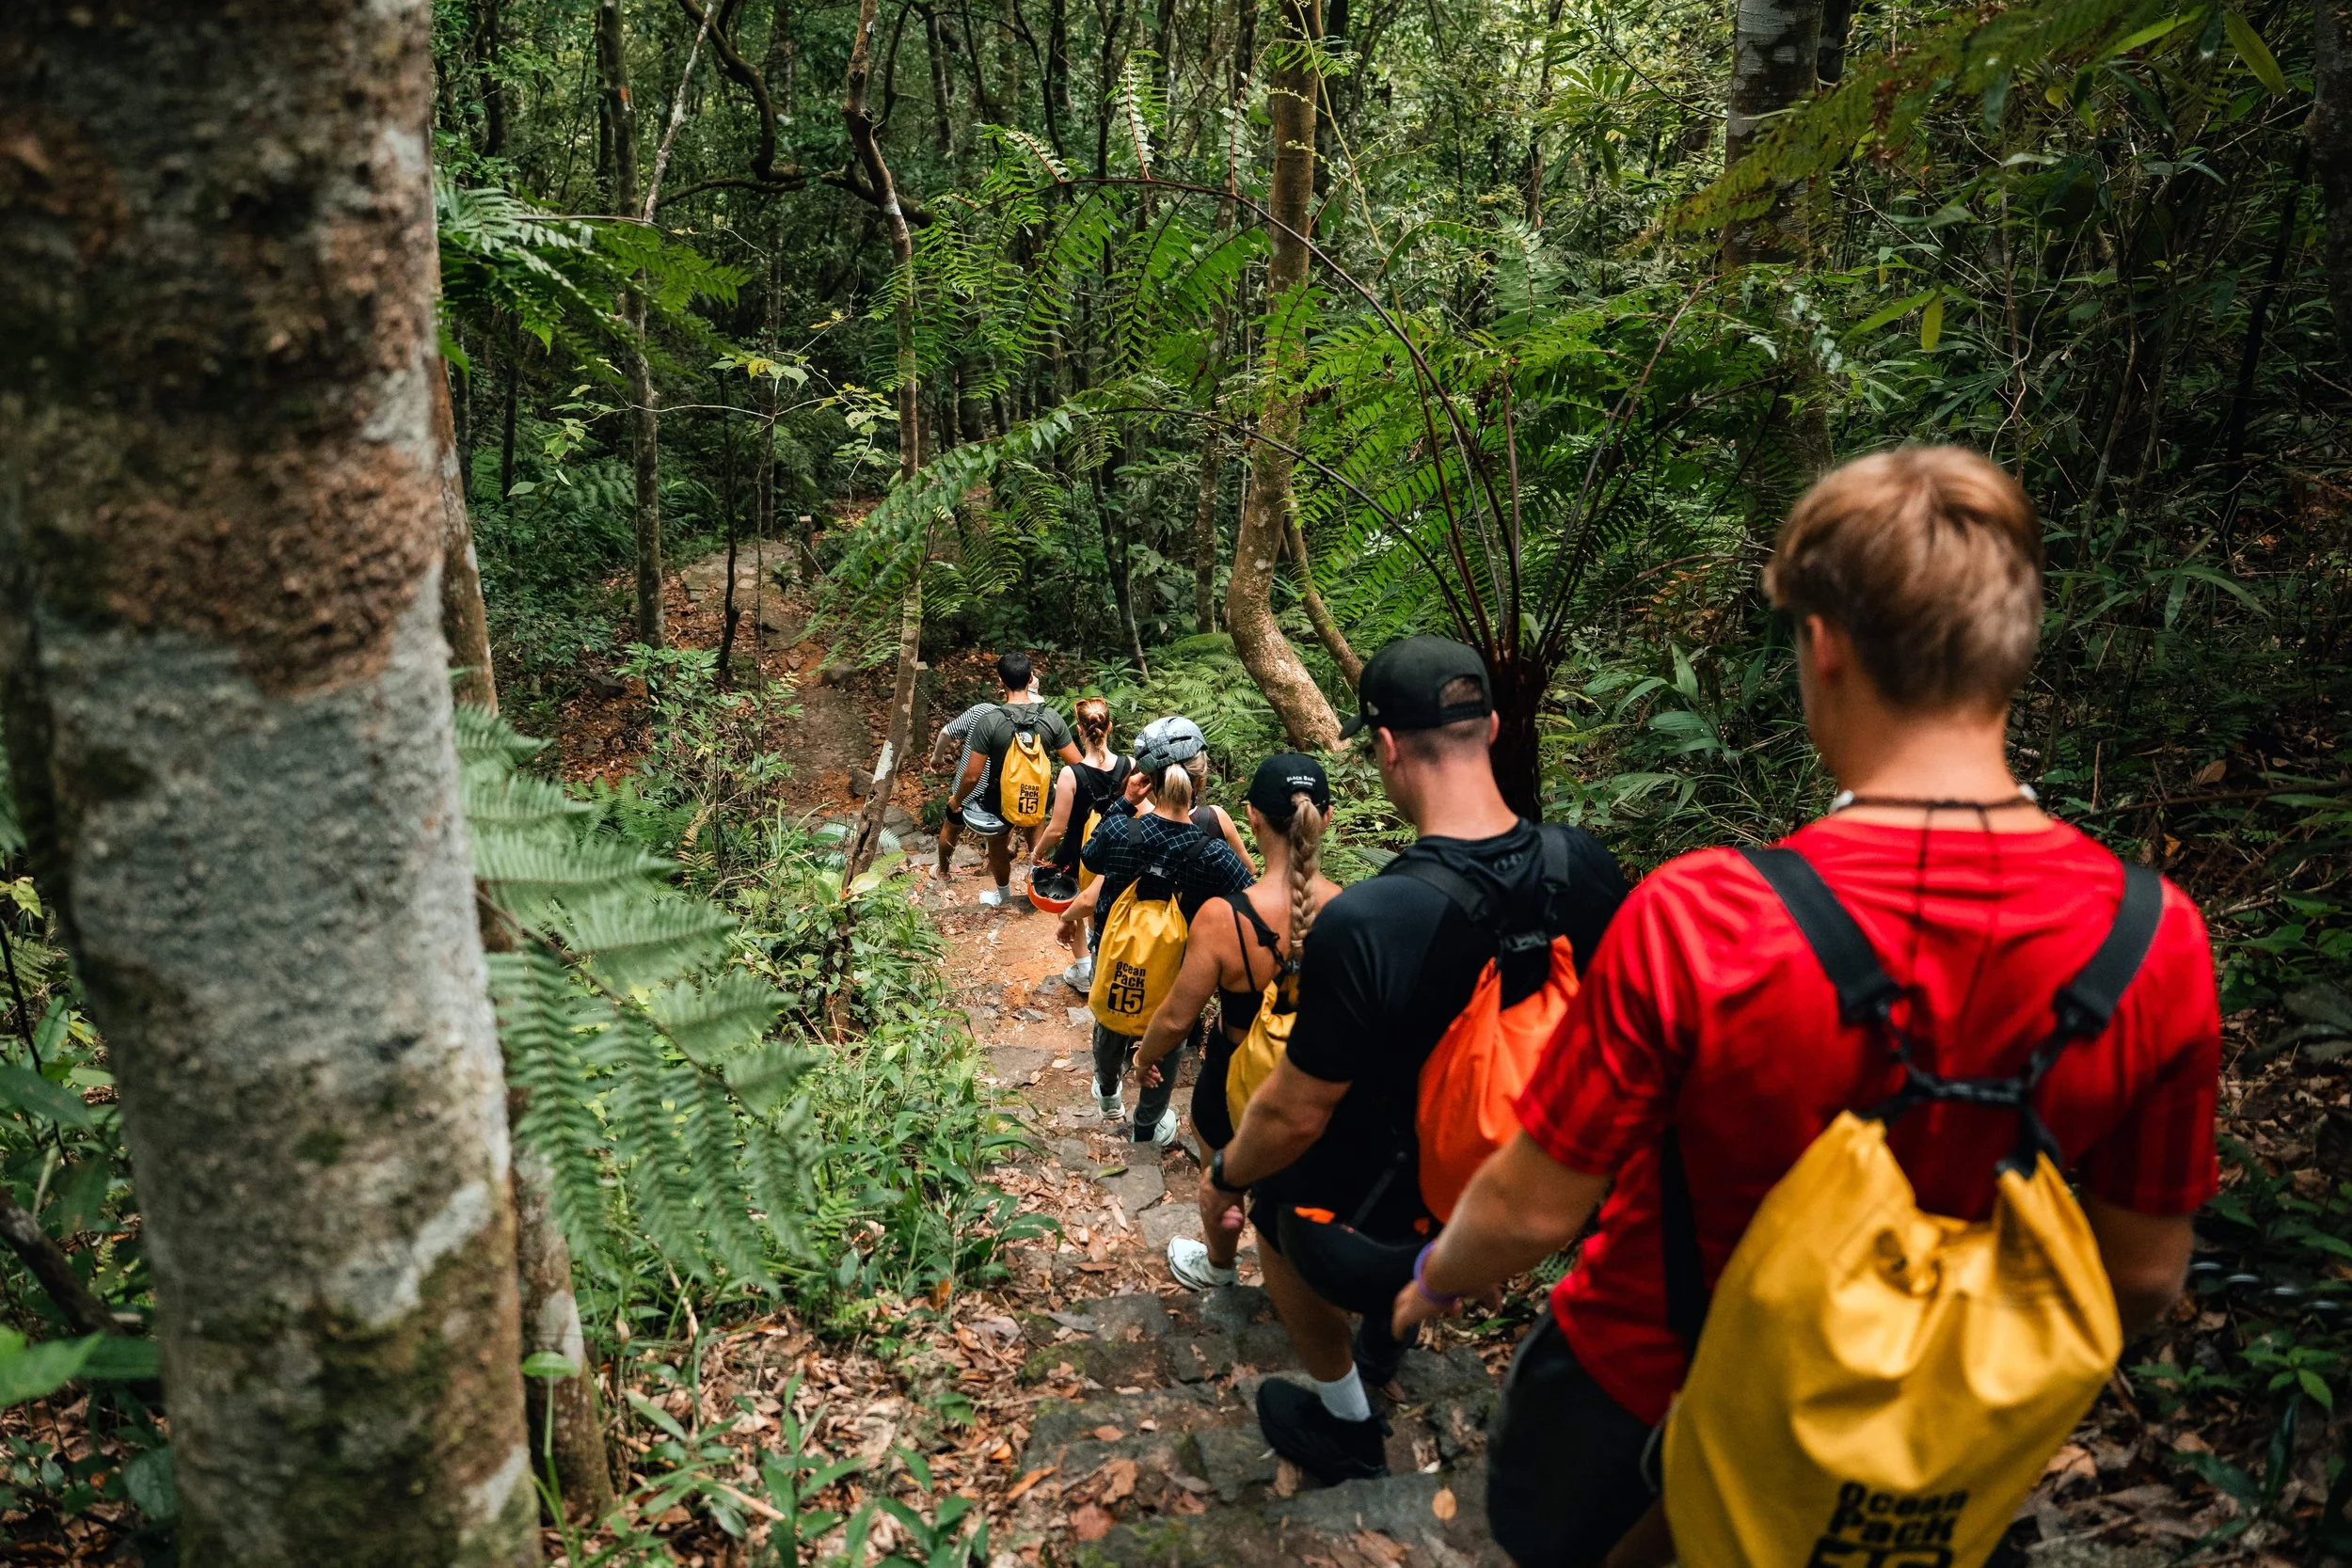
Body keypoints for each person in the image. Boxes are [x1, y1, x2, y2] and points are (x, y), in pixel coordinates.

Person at [1391, 448, 2221, 1568]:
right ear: (2013, 648)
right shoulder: (2152, 937)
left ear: (1822, 646)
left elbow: (1535, 1210)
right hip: (1926, 1447)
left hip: (1643, 1397)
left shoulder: (1706, 914)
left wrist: (1432, 1278)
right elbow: (2144, 1271)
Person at [1195, 637, 1626, 1487]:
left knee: (1279, 1199)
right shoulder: (1589, 868)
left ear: (1386, 748)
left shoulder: (1374, 919)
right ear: (1494, 726)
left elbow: (1294, 1112)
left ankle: (1349, 1422)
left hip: (1390, 1233)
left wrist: (1223, 1174)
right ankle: (1388, 1346)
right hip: (1534, 1199)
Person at [1133, 753, 1341, 1290]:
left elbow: (1178, 1017)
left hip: (1231, 1075)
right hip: (1317, 1077)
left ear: (1250, 816)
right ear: (1327, 816)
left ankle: (1220, 1267)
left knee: (1222, 1179)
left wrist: (1144, 1057)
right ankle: (1303, 1273)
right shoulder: (1349, 909)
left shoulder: (1224, 917)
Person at [1059, 718, 1254, 1147]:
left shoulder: (1119, 828)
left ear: (1145, 778)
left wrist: (1124, 804)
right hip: (1179, 966)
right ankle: (1146, 1128)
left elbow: (1089, 854)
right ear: (1199, 778)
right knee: (1169, 1036)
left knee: (1109, 1022)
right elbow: (1252, 898)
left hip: (1115, 949)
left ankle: (1109, 1093)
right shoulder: (1214, 853)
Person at [947, 652, 1083, 906]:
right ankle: (1038, 893)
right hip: (1039, 795)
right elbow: (1077, 764)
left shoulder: (990, 722)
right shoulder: (1051, 717)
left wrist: (957, 800)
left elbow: (972, 775)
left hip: (1000, 800)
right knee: (1036, 840)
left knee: (997, 846)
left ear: (1001, 681)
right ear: (1031, 677)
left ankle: (1004, 895)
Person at [1032, 697, 1132, 990]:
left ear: (1079, 731)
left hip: (1077, 853)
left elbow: (1056, 829)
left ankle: (1084, 968)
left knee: (1071, 904)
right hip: (1118, 850)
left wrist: (1037, 853)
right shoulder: (1130, 765)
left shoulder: (1070, 774)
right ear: (1110, 727)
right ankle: (1102, 955)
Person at [928, 693, 1006, 881]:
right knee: (998, 833)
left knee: (952, 827)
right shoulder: (1023, 720)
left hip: (967, 788)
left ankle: (944, 872)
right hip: (1001, 791)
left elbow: (946, 732)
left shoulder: (981, 710)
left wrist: (937, 757)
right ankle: (990, 872)